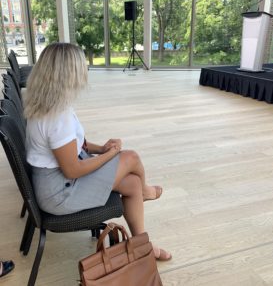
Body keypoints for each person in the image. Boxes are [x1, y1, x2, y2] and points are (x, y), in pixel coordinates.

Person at [24, 43, 171, 261]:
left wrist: (100, 148)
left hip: (54, 185)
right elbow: (72, 170)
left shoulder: (47, 104)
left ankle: (143, 246)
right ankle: (147, 191)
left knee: (131, 184)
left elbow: (74, 144)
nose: (84, 71)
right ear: (68, 73)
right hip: (60, 194)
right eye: (80, 67)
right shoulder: (57, 116)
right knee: (130, 157)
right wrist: (109, 155)